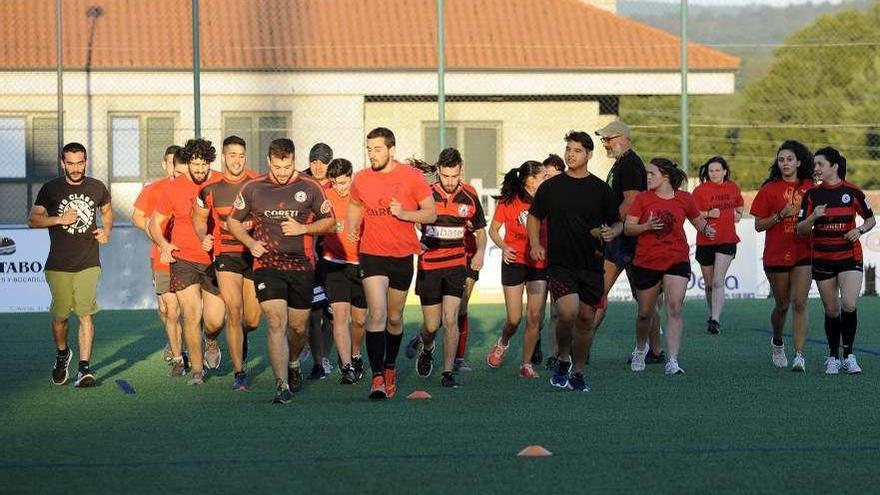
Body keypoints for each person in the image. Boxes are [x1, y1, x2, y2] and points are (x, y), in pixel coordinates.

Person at [227, 138, 335, 404]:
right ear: (268, 162)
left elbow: (330, 222)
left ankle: (295, 361)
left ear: (294, 161)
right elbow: (233, 220)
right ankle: (281, 385)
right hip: (268, 265)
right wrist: (250, 243)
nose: (283, 172)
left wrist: (304, 229)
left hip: (301, 266)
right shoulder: (253, 188)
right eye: (277, 167)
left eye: (287, 166)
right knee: (276, 321)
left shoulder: (310, 187)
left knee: (298, 328)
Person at [346, 127, 436, 400]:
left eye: (377, 149)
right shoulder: (361, 178)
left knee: (394, 318)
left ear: (391, 149)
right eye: (369, 148)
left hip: (401, 256)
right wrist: (352, 225)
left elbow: (430, 214)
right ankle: (376, 378)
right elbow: (354, 203)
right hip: (372, 253)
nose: (372, 154)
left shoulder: (412, 177)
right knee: (377, 313)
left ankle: (389, 368)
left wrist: (404, 213)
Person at [529, 132, 620, 392]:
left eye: (577, 150)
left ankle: (577, 372)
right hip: (561, 263)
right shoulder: (551, 187)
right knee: (566, 313)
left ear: (589, 154)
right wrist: (535, 244)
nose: (571, 154)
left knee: (585, 320)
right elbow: (534, 217)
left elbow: (616, 222)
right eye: (569, 149)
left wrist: (613, 231)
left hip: (591, 264)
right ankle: (562, 359)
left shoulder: (600, 189)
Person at [28, 142, 112, 387]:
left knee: (85, 313)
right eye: (71, 163)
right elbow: (33, 220)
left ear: (86, 161)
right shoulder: (51, 189)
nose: (76, 168)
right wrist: (60, 219)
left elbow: (107, 212)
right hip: (58, 263)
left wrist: (106, 230)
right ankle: (63, 354)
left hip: (88, 261)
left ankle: (84, 369)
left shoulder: (97, 187)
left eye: (80, 162)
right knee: (61, 317)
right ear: (63, 163)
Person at [625, 158, 715, 375]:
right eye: (646, 173)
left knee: (674, 308)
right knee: (645, 313)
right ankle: (640, 348)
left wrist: (706, 229)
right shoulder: (642, 199)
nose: (647, 177)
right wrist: (646, 226)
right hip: (647, 261)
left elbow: (697, 221)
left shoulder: (684, 198)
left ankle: (672, 360)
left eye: (651, 173)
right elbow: (628, 228)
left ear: (665, 175)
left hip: (677, 259)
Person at [408, 148, 486, 388]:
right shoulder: (426, 194)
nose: (450, 181)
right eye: (445, 176)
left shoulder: (470, 196)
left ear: (460, 170)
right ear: (438, 171)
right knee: (432, 325)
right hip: (429, 265)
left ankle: (448, 372)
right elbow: (407, 221)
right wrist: (415, 242)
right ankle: (427, 345)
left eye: (454, 176)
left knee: (450, 318)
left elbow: (481, 231)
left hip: (455, 266)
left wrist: (480, 252)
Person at [150, 138, 225, 386]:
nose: (200, 169)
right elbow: (154, 224)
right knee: (191, 315)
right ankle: (196, 371)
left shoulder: (220, 182)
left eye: (204, 164)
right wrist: (164, 245)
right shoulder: (173, 188)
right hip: (183, 258)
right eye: (195, 164)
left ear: (210, 163)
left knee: (215, 319)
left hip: (214, 260)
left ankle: (211, 340)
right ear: (187, 163)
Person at [797, 147, 875, 375]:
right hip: (822, 257)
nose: (816, 169)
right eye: (815, 165)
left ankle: (849, 355)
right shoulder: (812, 195)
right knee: (832, 310)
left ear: (834, 166)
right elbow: (801, 230)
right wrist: (813, 217)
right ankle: (832, 355)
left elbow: (870, 220)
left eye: (820, 164)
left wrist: (859, 230)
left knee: (849, 304)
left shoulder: (853, 192)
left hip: (850, 256)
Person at [193, 136, 261, 390]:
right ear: (223, 157)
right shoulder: (210, 189)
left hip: (253, 255)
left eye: (241, 155)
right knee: (233, 312)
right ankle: (239, 373)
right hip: (226, 256)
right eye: (232, 155)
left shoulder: (257, 184)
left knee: (252, 320)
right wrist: (204, 236)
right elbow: (199, 219)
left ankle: (240, 336)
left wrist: (254, 226)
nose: (237, 160)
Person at [593, 121, 665, 363]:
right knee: (642, 298)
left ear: (622, 137)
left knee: (597, 293)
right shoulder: (622, 163)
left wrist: (614, 225)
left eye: (608, 139)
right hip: (626, 238)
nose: (604, 144)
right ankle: (655, 351)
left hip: (625, 239)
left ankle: (578, 348)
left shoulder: (630, 164)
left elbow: (632, 201)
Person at [750, 140, 814, 371]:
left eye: (789, 159)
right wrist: (780, 215)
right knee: (782, 305)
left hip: (803, 251)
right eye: (781, 160)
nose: (785, 163)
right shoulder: (769, 189)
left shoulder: (811, 186)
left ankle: (799, 355)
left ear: (798, 162)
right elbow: (758, 225)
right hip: (777, 254)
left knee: (799, 302)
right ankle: (777, 341)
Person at [486, 160, 548, 378]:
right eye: (543, 177)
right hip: (514, 261)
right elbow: (493, 230)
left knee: (534, 316)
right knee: (514, 318)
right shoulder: (508, 201)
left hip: (538, 263)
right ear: (530, 180)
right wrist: (504, 247)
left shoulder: (548, 199)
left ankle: (526, 364)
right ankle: (503, 342)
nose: (547, 180)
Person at [132, 145, 186, 374]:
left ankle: (181, 356)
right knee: (167, 309)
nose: (174, 167)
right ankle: (176, 346)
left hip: (190, 255)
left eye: (178, 162)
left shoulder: (192, 187)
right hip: (161, 257)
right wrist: (154, 232)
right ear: (165, 164)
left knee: (182, 308)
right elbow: (137, 217)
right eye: (170, 162)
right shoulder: (153, 189)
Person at [322, 158, 367, 384]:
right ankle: (347, 366)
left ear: (351, 176)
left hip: (360, 265)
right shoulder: (324, 196)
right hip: (334, 264)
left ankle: (356, 353)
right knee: (340, 316)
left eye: (343, 182)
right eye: (335, 183)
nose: (339, 187)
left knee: (359, 321)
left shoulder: (363, 197)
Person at [692, 156, 744, 335]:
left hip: (727, 239)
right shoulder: (699, 190)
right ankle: (711, 314)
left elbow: (739, 207)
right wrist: (708, 213)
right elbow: (693, 214)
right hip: (705, 240)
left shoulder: (733, 187)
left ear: (724, 171)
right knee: (708, 285)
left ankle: (715, 320)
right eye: (711, 170)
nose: (714, 173)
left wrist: (738, 214)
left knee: (717, 280)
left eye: (717, 170)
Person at [304, 142, 335, 380]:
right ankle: (316, 360)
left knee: (333, 313)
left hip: (335, 256)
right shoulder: (301, 183)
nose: (318, 166)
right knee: (313, 313)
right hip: (308, 256)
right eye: (314, 161)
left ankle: (324, 356)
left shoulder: (338, 184)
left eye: (323, 162)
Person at [532, 153, 565, 368]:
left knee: (557, 311)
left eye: (555, 176)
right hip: (538, 262)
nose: (551, 180)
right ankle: (534, 343)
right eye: (547, 176)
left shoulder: (567, 199)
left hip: (560, 260)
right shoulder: (538, 200)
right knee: (536, 312)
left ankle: (555, 354)